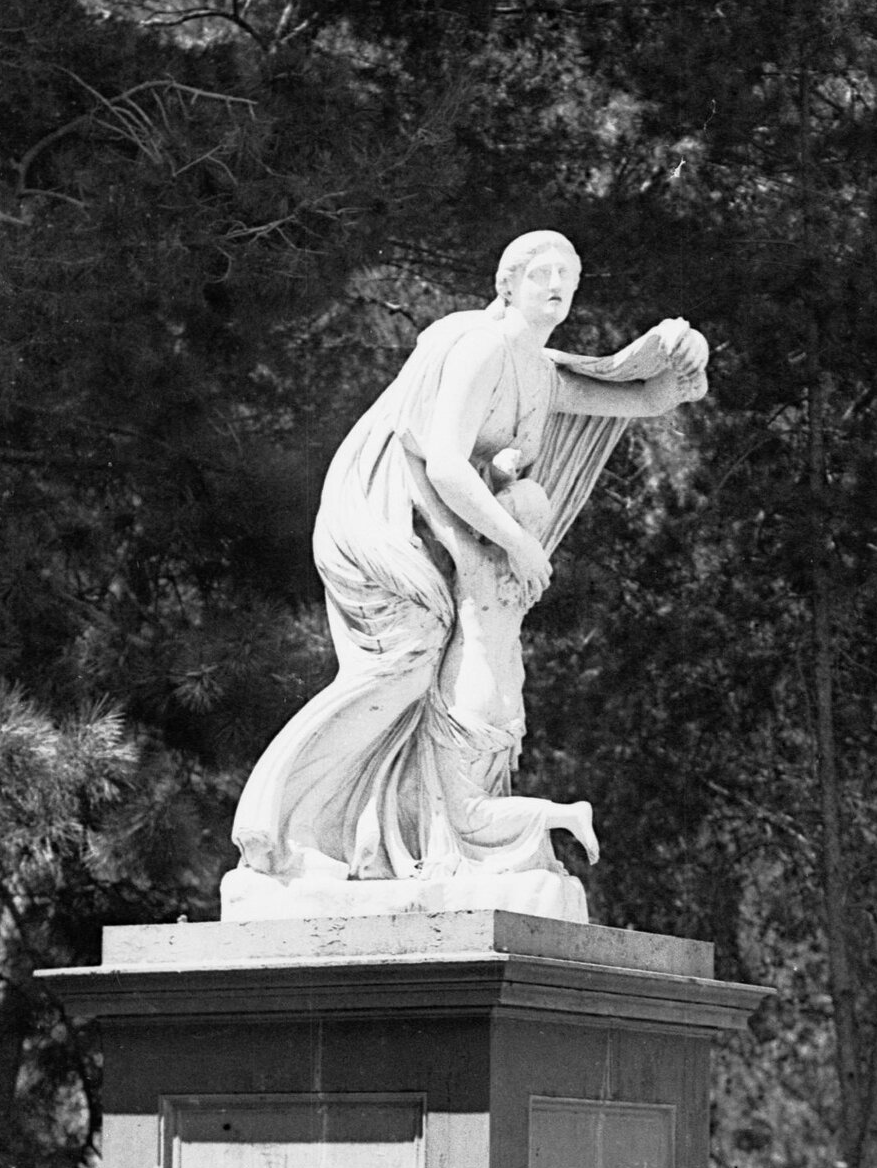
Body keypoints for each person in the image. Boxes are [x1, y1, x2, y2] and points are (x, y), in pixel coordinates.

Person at [224, 231, 708, 917]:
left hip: (443, 535)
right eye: (543, 271)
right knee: (406, 661)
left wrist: (684, 357)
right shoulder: (476, 344)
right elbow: (447, 462)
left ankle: (399, 846)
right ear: (506, 283)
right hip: (384, 517)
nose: (559, 283)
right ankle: (273, 832)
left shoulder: (537, 371)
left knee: (436, 677)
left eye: (569, 274)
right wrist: (520, 544)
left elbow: (641, 399)